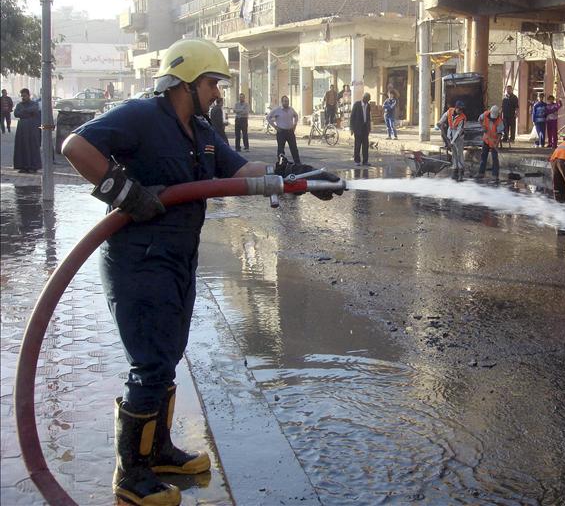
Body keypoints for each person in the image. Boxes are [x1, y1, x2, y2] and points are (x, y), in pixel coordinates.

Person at [60, 38, 342, 506]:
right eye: (212, 83)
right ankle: (131, 475)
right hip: (138, 260)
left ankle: (159, 451)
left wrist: (298, 178)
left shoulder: (204, 132)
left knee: (167, 356)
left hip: (177, 257)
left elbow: (237, 171)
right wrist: (125, 192)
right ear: (185, 81)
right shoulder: (142, 116)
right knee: (149, 363)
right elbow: (76, 145)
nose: (218, 94)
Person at [13, 88, 42, 173]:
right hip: (22, 130)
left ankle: (33, 166)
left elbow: (34, 110)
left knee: (32, 146)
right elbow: (16, 114)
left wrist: (24, 112)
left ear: (28, 95)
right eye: (22, 96)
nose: (23, 97)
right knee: (22, 147)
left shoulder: (34, 104)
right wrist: (26, 112)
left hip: (32, 129)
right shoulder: (19, 105)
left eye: (24, 96)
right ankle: (23, 166)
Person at [437, 99, 467, 180]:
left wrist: (452, 142)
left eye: (462, 109)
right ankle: (455, 169)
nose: (461, 111)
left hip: (458, 137)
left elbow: (458, 132)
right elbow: (445, 116)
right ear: (456, 108)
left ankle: (461, 171)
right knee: (454, 154)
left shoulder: (463, 118)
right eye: (459, 109)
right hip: (450, 134)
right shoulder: (450, 111)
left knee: (459, 154)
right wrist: (440, 122)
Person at [268, 95, 301, 164]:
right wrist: (275, 127)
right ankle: (281, 164)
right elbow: (268, 117)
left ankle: (298, 163)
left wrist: (295, 124)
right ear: (282, 102)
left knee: (294, 148)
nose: (286, 103)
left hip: (290, 131)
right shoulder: (277, 110)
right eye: (285, 101)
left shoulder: (291, 109)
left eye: (287, 101)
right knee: (281, 149)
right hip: (281, 132)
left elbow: (296, 115)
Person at [476, 104, 504, 179]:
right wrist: (482, 126)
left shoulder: (499, 121)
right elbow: (479, 120)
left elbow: (500, 134)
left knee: (495, 158)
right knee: (483, 156)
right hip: (486, 139)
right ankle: (481, 173)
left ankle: (495, 175)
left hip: (494, 141)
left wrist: (496, 144)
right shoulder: (485, 114)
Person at [350, 92, 371, 165]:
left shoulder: (368, 106)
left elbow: (368, 117)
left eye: (369, 100)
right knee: (358, 145)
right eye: (367, 99)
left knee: (365, 145)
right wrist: (352, 128)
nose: (368, 101)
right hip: (358, 128)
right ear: (364, 98)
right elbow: (352, 117)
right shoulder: (357, 105)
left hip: (365, 127)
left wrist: (369, 128)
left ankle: (365, 161)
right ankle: (357, 161)